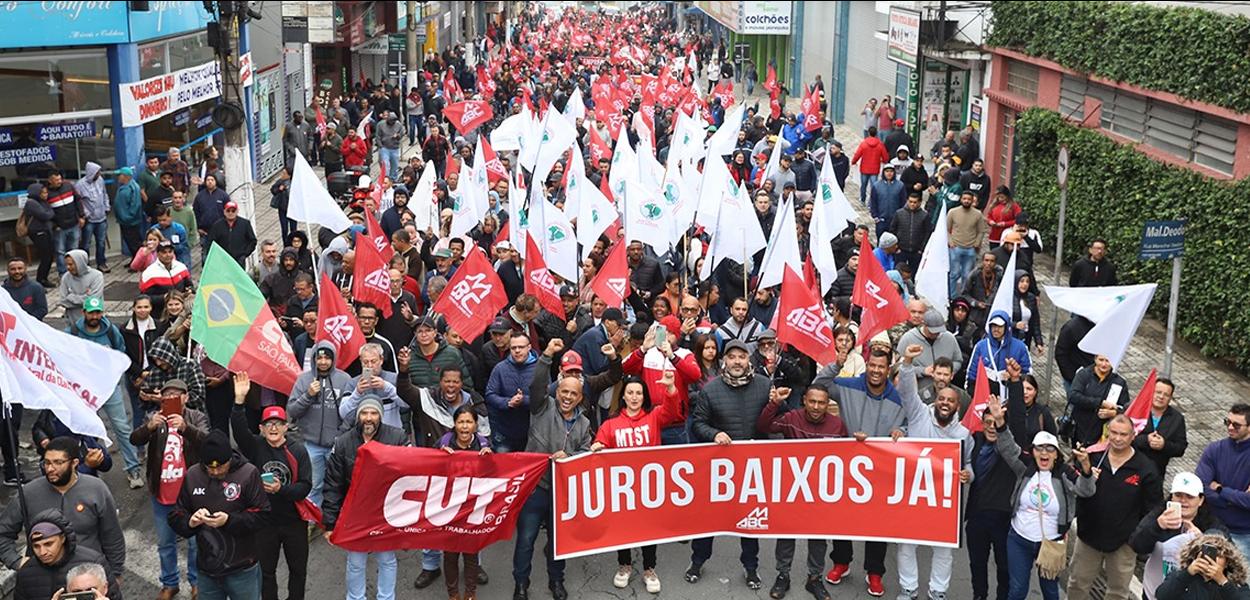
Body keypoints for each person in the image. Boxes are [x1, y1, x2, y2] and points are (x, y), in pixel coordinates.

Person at [813, 347, 907, 597]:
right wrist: (836, 364)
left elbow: (909, 422)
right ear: (867, 365)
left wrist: (903, 431)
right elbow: (818, 386)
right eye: (872, 366)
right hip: (848, 467)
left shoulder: (899, 399)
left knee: (878, 524)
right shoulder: (848, 385)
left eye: (881, 367)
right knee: (843, 519)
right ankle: (841, 562)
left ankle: (874, 572)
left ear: (889, 369)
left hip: (881, 471)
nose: (876, 371)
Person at [983, 397, 1096, 600]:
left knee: (1050, 592)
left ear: (1056, 454)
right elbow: (1009, 448)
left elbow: (1086, 491)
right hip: (1019, 539)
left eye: (1049, 449)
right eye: (1039, 449)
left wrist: (1086, 469)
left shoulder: (1065, 474)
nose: (1044, 453)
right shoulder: (1025, 467)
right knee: (1017, 590)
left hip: (1050, 543)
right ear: (1033, 452)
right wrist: (1000, 421)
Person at [685, 340, 771, 591]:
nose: (736, 362)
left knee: (750, 520)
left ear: (748, 360)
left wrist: (778, 404)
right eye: (731, 357)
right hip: (719, 469)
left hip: (752, 469)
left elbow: (776, 422)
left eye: (741, 357)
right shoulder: (710, 390)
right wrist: (714, 434)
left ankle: (751, 567)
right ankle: (697, 561)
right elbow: (698, 423)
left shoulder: (765, 386)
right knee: (708, 517)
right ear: (724, 361)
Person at [589, 372, 684, 594]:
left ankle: (649, 569)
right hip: (621, 490)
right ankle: (624, 565)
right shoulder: (611, 425)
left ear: (644, 396)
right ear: (623, 396)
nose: (634, 397)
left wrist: (670, 389)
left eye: (639, 393)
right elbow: (599, 444)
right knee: (622, 528)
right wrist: (597, 447)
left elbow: (672, 412)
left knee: (649, 529)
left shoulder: (654, 417)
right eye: (630, 392)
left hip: (649, 488)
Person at [894, 345, 974, 600]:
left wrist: (967, 475)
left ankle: (938, 591)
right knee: (907, 545)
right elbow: (907, 392)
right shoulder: (919, 415)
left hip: (943, 502)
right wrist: (907, 362)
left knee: (943, 550)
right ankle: (909, 588)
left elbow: (969, 463)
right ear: (936, 400)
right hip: (912, 494)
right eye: (942, 399)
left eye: (950, 401)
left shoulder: (963, 434)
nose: (945, 403)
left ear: (957, 405)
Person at [755, 384, 844, 600]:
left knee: (818, 537)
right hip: (792, 489)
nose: (815, 407)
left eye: (821, 402)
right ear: (804, 400)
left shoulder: (837, 425)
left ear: (827, 404)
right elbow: (763, 425)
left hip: (821, 493)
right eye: (812, 401)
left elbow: (846, 457)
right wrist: (774, 403)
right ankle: (783, 575)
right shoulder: (791, 417)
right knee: (786, 533)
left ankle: (814, 579)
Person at [228, 373, 311, 600]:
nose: (273, 428)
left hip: (293, 522)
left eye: (278, 424)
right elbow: (239, 429)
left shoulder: (298, 450)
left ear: (285, 427)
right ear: (262, 429)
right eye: (268, 424)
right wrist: (239, 401)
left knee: (298, 572)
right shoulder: (255, 446)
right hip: (264, 522)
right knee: (266, 573)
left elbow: (305, 487)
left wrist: (280, 490)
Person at [0, 435, 125, 584]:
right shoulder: (28, 493)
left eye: (58, 462)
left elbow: (112, 535)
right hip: (42, 580)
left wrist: (115, 573)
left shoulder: (97, 489)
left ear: (74, 463)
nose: (50, 469)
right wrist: (16, 562)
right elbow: (3, 533)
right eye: (46, 463)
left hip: (87, 579)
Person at [1067, 415, 1164, 600]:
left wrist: (1136, 538)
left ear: (1133, 436)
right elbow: (1074, 490)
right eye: (1114, 433)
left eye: (1123, 434)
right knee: (1077, 584)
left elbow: (1152, 508)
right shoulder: (1092, 457)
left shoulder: (1146, 468)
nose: (1118, 438)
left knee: (1118, 592)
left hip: (1124, 544)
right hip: (1088, 538)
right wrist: (1086, 473)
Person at [130, 379, 210, 600]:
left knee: (195, 542)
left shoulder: (196, 417)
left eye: (176, 395)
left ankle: (196, 582)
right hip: (162, 492)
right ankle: (170, 583)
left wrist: (185, 428)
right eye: (166, 396)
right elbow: (134, 438)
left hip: (190, 495)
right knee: (165, 543)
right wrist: (149, 427)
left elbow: (208, 442)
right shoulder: (154, 418)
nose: (171, 399)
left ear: (185, 397)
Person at [323, 394, 408, 600]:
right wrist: (330, 524)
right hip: (355, 512)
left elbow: (412, 474)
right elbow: (332, 485)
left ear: (380, 415)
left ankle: (386, 597)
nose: (368, 418)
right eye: (364, 413)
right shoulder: (342, 443)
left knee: (387, 559)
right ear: (357, 415)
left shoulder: (397, 438)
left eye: (373, 413)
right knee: (356, 561)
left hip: (385, 512)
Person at [168, 429, 270, 600]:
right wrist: (190, 522)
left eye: (221, 466)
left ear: (230, 459)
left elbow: (263, 515)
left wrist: (229, 520)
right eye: (210, 468)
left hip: (242, 568)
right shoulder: (193, 475)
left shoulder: (248, 473)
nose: (215, 472)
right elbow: (175, 514)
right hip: (207, 570)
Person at [63, 297, 144, 487]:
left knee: (122, 428)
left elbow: (120, 353)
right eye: (91, 312)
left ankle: (133, 470)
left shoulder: (111, 330)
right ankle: (87, 472)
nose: (94, 316)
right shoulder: (72, 332)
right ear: (83, 313)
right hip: (84, 391)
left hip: (109, 388)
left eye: (98, 312)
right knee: (85, 430)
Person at [1130, 472, 1227, 600]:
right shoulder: (1159, 515)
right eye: (1178, 495)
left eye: (1189, 496)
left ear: (1201, 500)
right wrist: (1157, 526)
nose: (1183, 501)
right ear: (1171, 497)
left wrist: (1203, 540)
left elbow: (1226, 558)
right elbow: (1137, 545)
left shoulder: (1211, 523)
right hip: (1154, 590)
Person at [436, 405, 491, 600]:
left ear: (476, 425)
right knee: (450, 555)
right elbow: (429, 471)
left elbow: (495, 474)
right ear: (454, 424)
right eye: (461, 422)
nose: (465, 427)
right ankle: (453, 594)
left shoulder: (484, 445)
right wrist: (440, 457)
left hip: (472, 509)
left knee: (471, 554)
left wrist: (489, 460)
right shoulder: (443, 444)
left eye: (469, 422)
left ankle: (470, 593)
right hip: (449, 508)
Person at [964, 403, 1016, 600]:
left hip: (1004, 519)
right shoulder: (973, 442)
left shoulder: (1010, 448)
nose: (992, 427)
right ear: (982, 424)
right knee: (977, 564)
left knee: (1004, 566)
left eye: (996, 423)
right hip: (977, 516)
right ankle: (979, 596)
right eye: (987, 423)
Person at [13, 510, 119, 600]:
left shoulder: (94, 561)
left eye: (48, 544)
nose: (42, 552)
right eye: (36, 546)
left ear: (63, 538)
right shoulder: (26, 573)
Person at [1196, 403, 1250, 560]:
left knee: (1240, 582)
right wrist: (1234, 500)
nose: (1230, 427)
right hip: (1212, 527)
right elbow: (1201, 488)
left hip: (1244, 533)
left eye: (1236, 425)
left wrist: (1220, 489)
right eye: (1227, 422)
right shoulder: (1214, 450)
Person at [1153, 534, 1250, 599]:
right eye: (1206, 555)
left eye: (1219, 556)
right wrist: (1188, 573)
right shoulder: (1181, 575)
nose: (1212, 560)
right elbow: (1162, 596)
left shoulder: (1237, 582)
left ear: (1227, 562)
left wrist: (1223, 581)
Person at [1065, 354, 1130, 447]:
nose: (1104, 364)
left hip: (1104, 432)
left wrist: (1114, 413)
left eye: (1107, 361)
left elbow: (1126, 408)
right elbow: (1073, 396)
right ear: (1095, 359)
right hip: (1081, 428)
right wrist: (1100, 403)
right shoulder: (1084, 374)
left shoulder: (1119, 382)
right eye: (1101, 360)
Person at [965, 312, 1032, 396]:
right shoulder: (981, 346)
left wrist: (1015, 377)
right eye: (993, 326)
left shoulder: (1021, 347)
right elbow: (972, 372)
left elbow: (1028, 374)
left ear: (1006, 327)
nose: (996, 329)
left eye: (1000, 326)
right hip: (984, 394)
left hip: (1010, 394)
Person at [1132, 377, 1188, 477]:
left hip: (1156, 472)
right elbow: (1121, 437)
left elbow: (1181, 448)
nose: (1161, 397)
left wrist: (1164, 445)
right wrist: (1146, 440)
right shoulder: (1136, 409)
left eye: (1166, 395)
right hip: (1131, 466)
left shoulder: (1177, 418)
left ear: (1170, 398)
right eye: (1158, 392)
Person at [947, 191, 987, 298]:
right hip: (955, 247)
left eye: (969, 199)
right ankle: (952, 296)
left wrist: (977, 243)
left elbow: (981, 230)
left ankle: (964, 296)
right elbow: (946, 229)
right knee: (954, 274)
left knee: (967, 275)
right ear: (961, 199)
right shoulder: (953, 212)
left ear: (972, 200)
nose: (966, 201)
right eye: (964, 199)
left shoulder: (978, 214)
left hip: (970, 249)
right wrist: (950, 241)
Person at [45, 170, 83, 277]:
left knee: (74, 249)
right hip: (59, 227)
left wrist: (81, 216)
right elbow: (46, 211)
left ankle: (75, 270)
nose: (59, 181)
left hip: (73, 223)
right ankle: (63, 273)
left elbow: (78, 200)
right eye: (56, 180)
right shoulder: (46, 193)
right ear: (50, 180)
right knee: (60, 251)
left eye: (60, 179)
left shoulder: (68, 186)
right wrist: (54, 225)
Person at [75, 162, 111, 272]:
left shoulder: (100, 180)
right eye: (97, 172)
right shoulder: (80, 185)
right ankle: (85, 266)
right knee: (86, 244)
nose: (99, 174)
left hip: (101, 218)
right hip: (89, 220)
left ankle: (101, 263)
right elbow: (78, 201)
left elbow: (105, 194)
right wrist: (84, 214)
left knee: (101, 242)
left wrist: (107, 206)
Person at [20, 184, 56, 287]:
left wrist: (49, 212)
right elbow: (45, 215)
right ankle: (40, 280)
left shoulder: (42, 202)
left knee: (49, 256)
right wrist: (50, 212)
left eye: (46, 192)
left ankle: (44, 278)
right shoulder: (32, 203)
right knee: (46, 256)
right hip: (38, 232)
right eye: (43, 193)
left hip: (46, 231)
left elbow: (49, 213)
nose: (46, 195)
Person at [57, 250, 103, 325]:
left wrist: (71, 297)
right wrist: (86, 297)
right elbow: (63, 301)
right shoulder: (66, 277)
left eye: (71, 264)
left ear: (80, 263)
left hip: (93, 322)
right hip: (72, 323)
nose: (68, 267)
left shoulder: (97, 276)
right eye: (66, 264)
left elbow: (94, 300)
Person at [208, 201, 257, 267]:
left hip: (239, 261)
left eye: (233, 211)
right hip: (222, 261)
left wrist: (244, 254)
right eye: (228, 211)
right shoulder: (217, 225)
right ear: (224, 212)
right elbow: (211, 242)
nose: (230, 213)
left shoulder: (245, 224)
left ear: (237, 211)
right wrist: (218, 256)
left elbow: (253, 241)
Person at [114, 167, 145, 261]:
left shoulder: (133, 187)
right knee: (130, 242)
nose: (118, 177)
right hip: (124, 221)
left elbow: (136, 205)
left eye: (119, 175)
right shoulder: (124, 186)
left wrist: (127, 217)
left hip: (130, 222)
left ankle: (139, 262)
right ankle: (134, 260)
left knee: (134, 243)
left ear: (126, 176)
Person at [851, 127, 889, 204]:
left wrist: (853, 161)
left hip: (864, 168)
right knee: (873, 186)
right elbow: (885, 157)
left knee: (863, 185)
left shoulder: (864, 143)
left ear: (868, 133)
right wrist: (884, 161)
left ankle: (862, 198)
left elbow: (858, 154)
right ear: (876, 133)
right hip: (875, 169)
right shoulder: (880, 144)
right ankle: (871, 202)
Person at [3, 256, 47, 320]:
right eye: (13, 269)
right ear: (8, 271)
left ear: (25, 269)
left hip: (32, 325)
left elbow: (42, 310)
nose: (17, 271)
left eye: (20, 268)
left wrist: (26, 321)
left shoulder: (36, 287)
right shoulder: (3, 291)